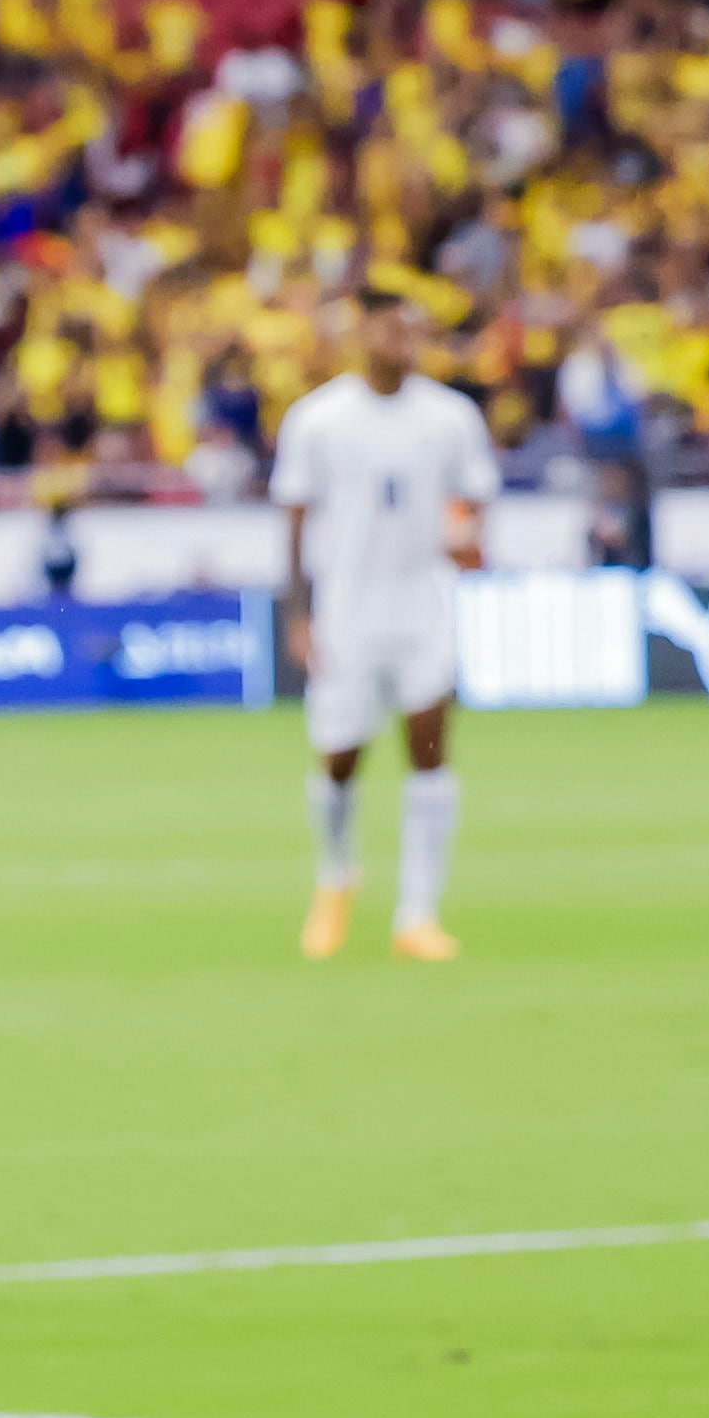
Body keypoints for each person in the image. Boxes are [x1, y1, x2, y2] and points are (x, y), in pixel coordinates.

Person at [273, 297, 495, 961]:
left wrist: (469, 536)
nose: (403, 338)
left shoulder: (451, 416)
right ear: (360, 335)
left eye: (410, 325)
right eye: (389, 326)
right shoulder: (319, 419)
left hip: (423, 602)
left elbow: (474, 498)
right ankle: (337, 876)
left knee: (429, 747)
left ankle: (417, 913)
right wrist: (298, 612)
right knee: (340, 756)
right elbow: (294, 518)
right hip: (348, 606)